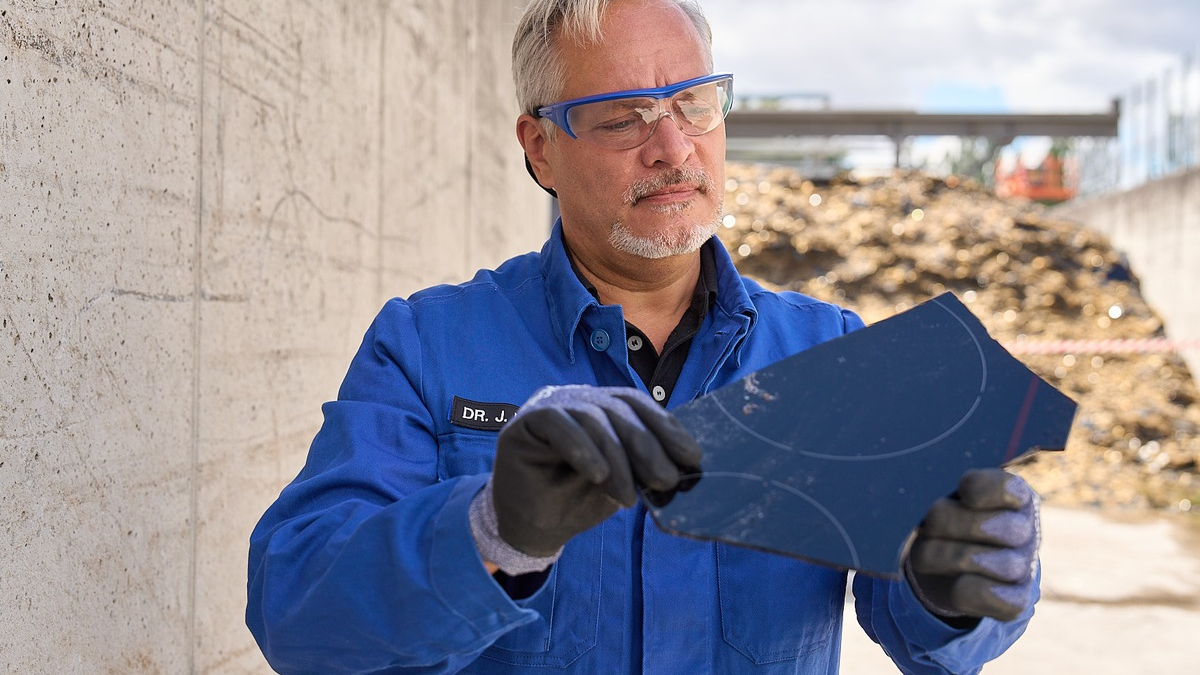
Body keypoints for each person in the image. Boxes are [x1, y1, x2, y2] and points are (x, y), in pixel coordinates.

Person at [246, 1, 1042, 673]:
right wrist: (489, 530)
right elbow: (297, 611)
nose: (672, 147)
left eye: (693, 103)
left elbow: (929, 637)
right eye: (624, 116)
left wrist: (954, 588)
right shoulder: (427, 344)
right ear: (540, 148)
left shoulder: (828, 354)